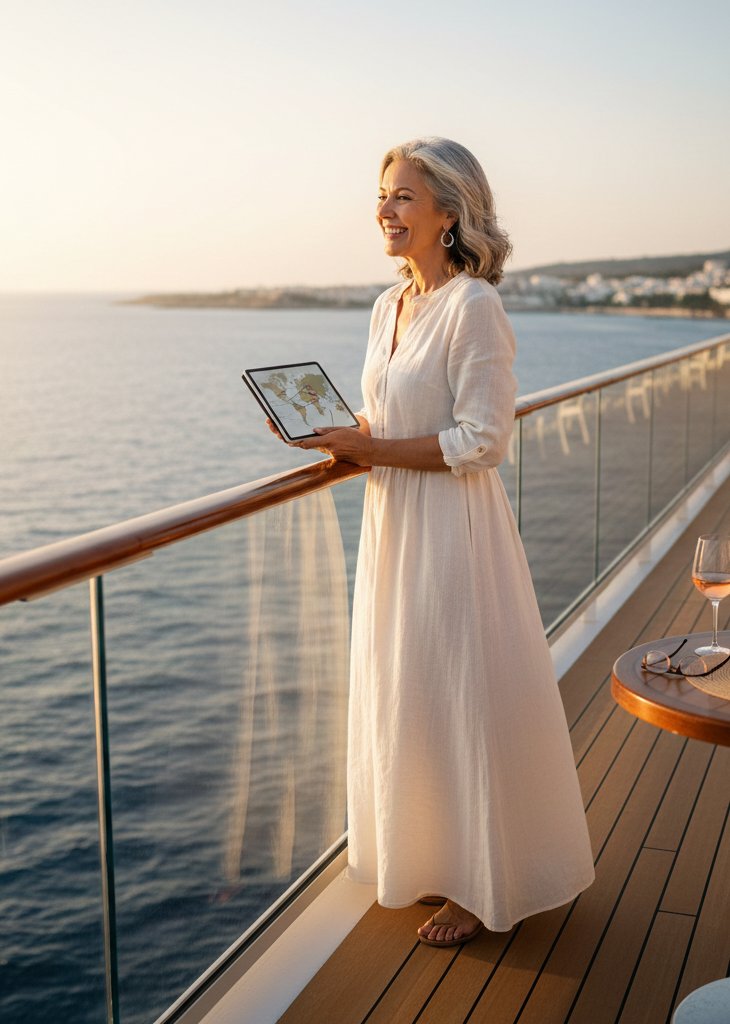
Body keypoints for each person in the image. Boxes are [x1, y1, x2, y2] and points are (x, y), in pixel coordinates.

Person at [269, 137, 595, 946]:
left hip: (452, 531)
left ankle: (481, 883)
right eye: (382, 195)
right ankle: (430, 855)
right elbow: (387, 420)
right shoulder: (388, 307)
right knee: (409, 688)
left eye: (403, 196)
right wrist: (338, 434)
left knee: (458, 694)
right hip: (394, 525)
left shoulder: (475, 307)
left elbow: (482, 440)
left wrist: (369, 450)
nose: (384, 209)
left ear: (450, 212)